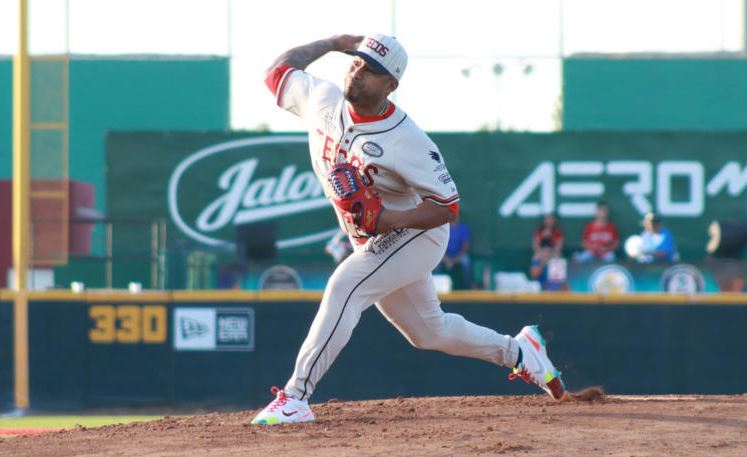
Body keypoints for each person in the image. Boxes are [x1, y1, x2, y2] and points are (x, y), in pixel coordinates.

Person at [251, 34, 565, 425]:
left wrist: (388, 220)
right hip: (372, 239)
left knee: (345, 286)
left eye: (372, 70)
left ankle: (296, 395)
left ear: (390, 85)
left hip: (418, 234)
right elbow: (277, 73)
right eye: (357, 62)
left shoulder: (407, 139)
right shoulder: (322, 100)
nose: (358, 72)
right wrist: (333, 43)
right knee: (427, 331)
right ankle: (520, 352)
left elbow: (448, 207)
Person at [437, 216, 472, 289]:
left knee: (466, 261)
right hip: (445, 255)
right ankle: (437, 286)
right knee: (436, 261)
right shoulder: (444, 228)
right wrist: (446, 259)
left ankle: (467, 287)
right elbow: (440, 246)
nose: (454, 218)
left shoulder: (463, 228)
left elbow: (466, 246)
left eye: (456, 216)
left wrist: (454, 260)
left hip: (458, 255)